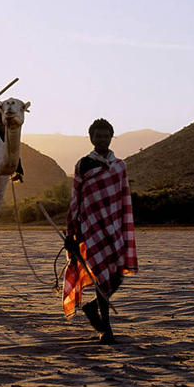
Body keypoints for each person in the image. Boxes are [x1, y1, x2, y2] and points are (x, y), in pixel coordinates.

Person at [63, 118, 138, 344]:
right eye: (98, 136)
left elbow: (123, 197)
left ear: (111, 138)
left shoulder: (120, 166)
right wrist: (71, 232)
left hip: (114, 227)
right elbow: (76, 199)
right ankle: (106, 329)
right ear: (91, 138)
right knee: (101, 277)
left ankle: (92, 307)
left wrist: (123, 226)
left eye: (106, 136)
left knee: (117, 275)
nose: (102, 140)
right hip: (91, 227)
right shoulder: (83, 164)